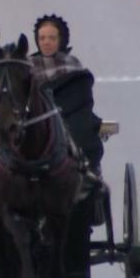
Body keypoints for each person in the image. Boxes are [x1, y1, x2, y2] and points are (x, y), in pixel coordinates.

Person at [30, 14, 103, 174]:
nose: (46, 42)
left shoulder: (74, 69)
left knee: (80, 132)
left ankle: (85, 172)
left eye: (51, 38)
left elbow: (82, 100)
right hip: (37, 120)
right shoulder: (27, 69)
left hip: (69, 118)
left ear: (61, 40)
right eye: (42, 38)